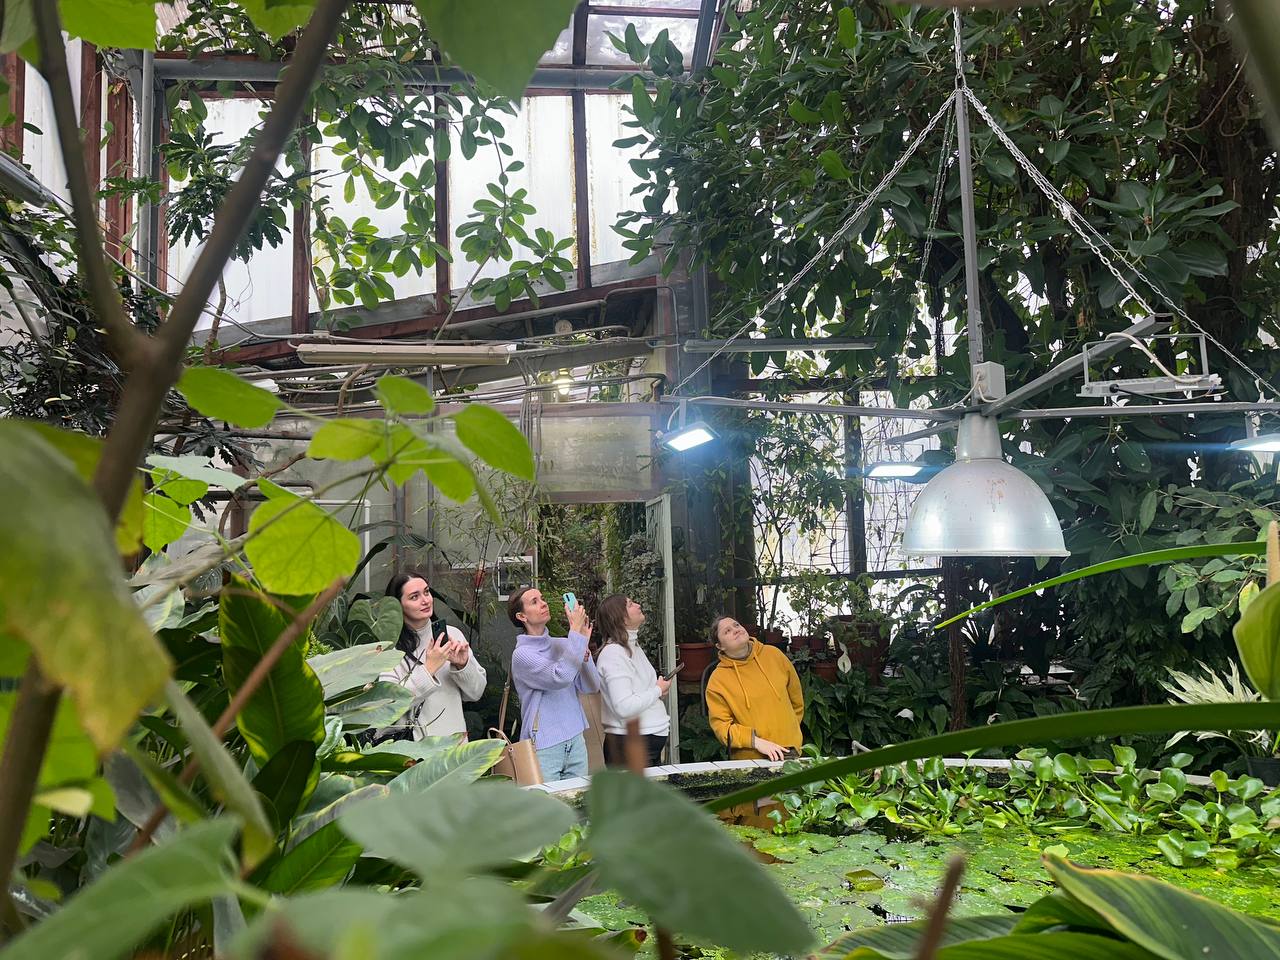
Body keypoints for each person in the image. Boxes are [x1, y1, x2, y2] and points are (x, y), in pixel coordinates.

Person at [379, 570, 486, 740]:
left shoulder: (452, 635)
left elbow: (476, 693)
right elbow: (388, 706)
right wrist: (429, 669)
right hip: (414, 750)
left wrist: (463, 665)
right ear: (398, 605)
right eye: (414, 597)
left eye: (426, 592)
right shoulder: (390, 650)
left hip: (455, 747)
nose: (425, 600)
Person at [508, 587, 601, 781]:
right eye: (534, 602)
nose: (543, 604)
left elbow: (592, 686)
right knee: (547, 801)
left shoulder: (563, 644)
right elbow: (560, 676)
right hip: (544, 746)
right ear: (521, 616)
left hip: (576, 739)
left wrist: (582, 647)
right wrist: (575, 636)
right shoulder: (522, 655)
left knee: (578, 800)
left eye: (542, 598)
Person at [704, 615, 804, 762]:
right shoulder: (717, 680)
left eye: (736, 625)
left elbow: (797, 700)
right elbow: (722, 728)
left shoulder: (774, 655)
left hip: (790, 751)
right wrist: (756, 742)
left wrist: (790, 731)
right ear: (720, 646)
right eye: (727, 631)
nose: (735, 630)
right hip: (750, 760)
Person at [593, 594, 670, 768]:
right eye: (630, 604)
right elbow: (624, 706)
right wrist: (657, 690)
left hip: (643, 745)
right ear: (620, 619)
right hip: (630, 747)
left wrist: (658, 690)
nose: (637, 605)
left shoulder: (632, 646)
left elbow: (638, 692)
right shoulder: (614, 654)